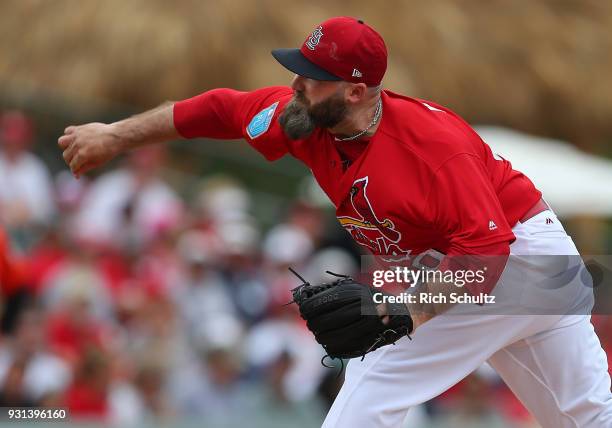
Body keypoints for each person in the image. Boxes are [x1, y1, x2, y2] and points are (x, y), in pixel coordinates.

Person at [58, 16, 612, 428]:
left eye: (312, 76)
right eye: (299, 69)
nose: (297, 83)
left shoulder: (430, 149)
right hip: (512, 265)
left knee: (371, 389)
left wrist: (403, 306)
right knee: (586, 417)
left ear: (355, 90)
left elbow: (490, 256)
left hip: (516, 259)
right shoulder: (304, 121)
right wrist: (115, 135)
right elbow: (220, 109)